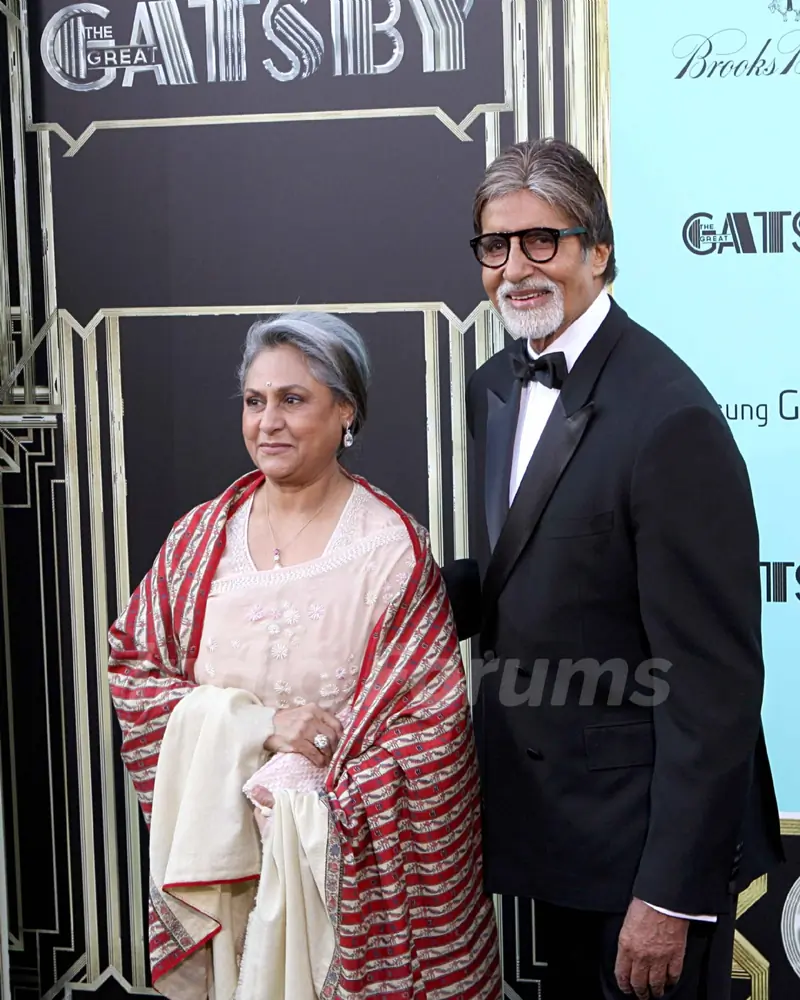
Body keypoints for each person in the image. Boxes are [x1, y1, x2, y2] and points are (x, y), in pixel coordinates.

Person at [442, 138, 784, 1000]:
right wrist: (395, 592)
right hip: (548, 831)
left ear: (598, 249)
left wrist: (668, 895)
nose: (515, 267)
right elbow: (537, 568)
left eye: (541, 240)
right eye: (495, 245)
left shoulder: (670, 418)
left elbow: (715, 683)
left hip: (642, 858)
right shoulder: (494, 388)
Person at [108, 312, 501, 1000]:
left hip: (340, 880)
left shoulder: (389, 551)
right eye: (255, 402)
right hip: (225, 869)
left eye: (294, 400)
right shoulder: (199, 540)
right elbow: (136, 671)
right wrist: (258, 730)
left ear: (346, 410)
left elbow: (429, 734)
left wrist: (308, 796)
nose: (268, 422)